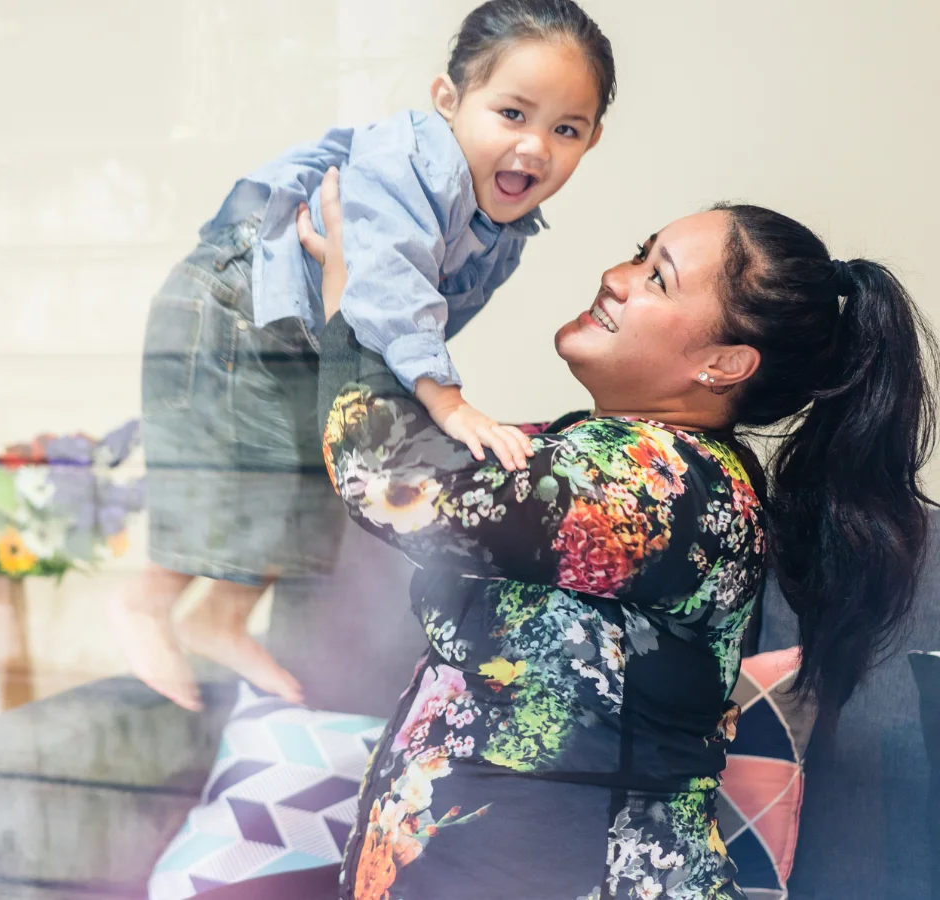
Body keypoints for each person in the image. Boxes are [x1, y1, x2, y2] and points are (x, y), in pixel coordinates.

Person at [231, 169, 934, 899]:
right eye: (639, 253)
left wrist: (362, 295)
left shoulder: (668, 487)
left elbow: (396, 482)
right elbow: (424, 443)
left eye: (657, 279)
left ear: (723, 365)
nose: (617, 277)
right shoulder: (590, 451)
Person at [116, 0, 615, 712]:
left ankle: (217, 616)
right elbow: (384, 284)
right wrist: (444, 398)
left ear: (592, 140)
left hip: (298, 332)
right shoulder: (412, 166)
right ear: (449, 100)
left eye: (565, 129)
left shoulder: (502, 221)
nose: (535, 147)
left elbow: (420, 314)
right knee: (239, 473)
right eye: (512, 114)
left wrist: (415, 386)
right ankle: (146, 602)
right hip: (234, 305)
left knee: (306, 482)